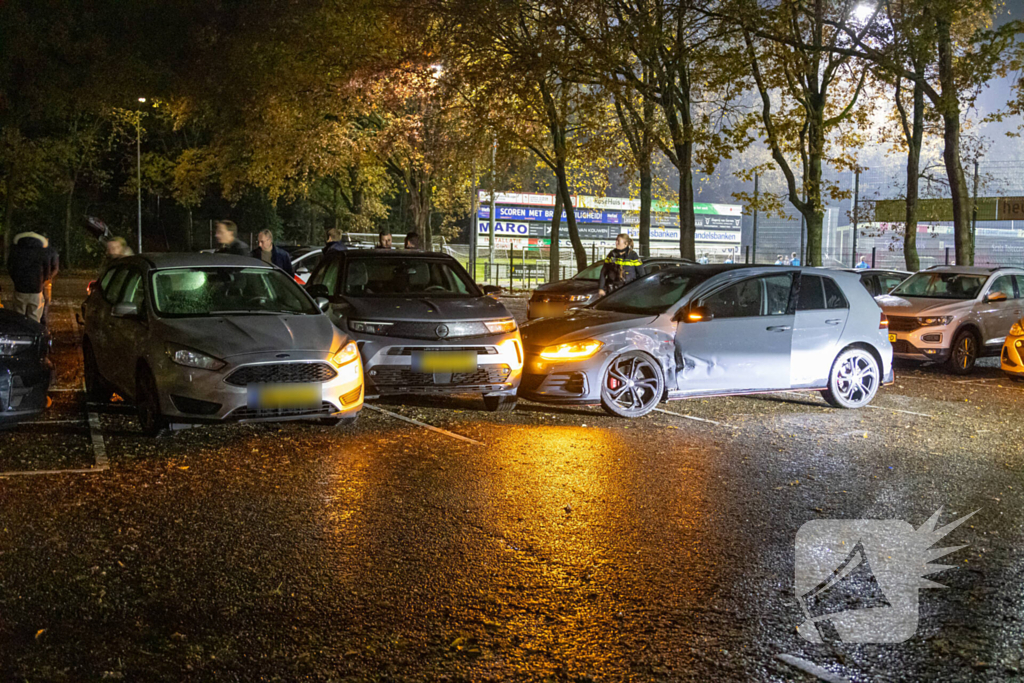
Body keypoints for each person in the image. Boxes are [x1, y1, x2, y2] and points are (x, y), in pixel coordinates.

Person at [7, 232, 51, 323]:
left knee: (18, 316)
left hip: (20, 288)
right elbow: (47, 270)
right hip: (36, 288)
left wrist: (16, 280)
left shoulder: (16, 251)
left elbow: (10, 267)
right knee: (34, 317)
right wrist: (42, 281)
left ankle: (19, 335)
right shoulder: (42, 252)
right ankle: (32, 336)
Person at [597, 233, 645, 297]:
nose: (616, 243)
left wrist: (641, 289)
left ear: (626, 243)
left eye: (618, 241)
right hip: (613, 290)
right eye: (616, 240)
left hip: (628, 289)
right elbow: (603, 272)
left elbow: (642, 274)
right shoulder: (612, 254)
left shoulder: (633, 255)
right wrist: (601, 288)